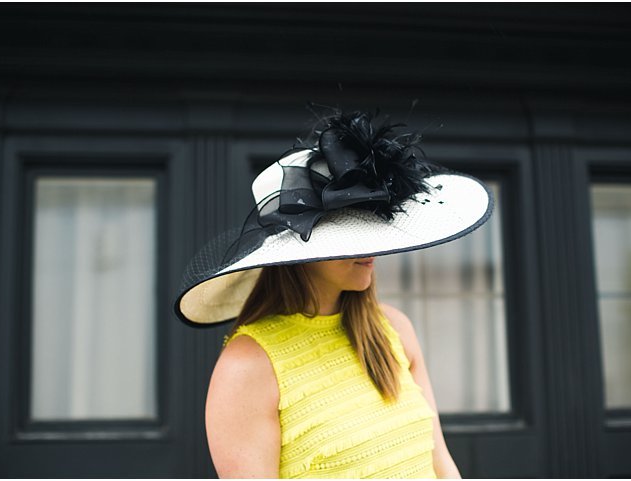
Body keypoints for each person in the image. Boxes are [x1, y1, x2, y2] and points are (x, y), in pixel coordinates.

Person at [174, 108, 493, 478]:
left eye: (373, 225)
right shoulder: (249, 364)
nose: (371, 247)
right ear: (299, 253)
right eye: (350, 232)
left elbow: (441, 465)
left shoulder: (394, 330)